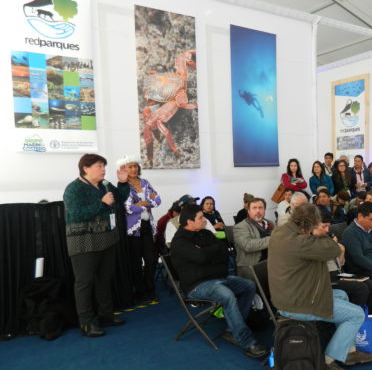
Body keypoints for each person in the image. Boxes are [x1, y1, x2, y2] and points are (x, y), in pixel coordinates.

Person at [269, 203, 372, 370]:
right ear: (309, 226)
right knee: (356, 315)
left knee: (343, 295)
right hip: (298, 303)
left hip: (288, 294)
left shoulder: (280, 232)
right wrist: (320, 234)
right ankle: (328, 361)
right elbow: (333, 249)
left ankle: (348, 350)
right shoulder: (301, 242)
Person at [170, 205, 267, 359]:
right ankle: (247, 341)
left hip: (217, 277)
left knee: (248, 286)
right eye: (201, 218)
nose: (204, 220)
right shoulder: (179, 242)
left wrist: (204, 252)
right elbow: (202, 257)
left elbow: (224, 251)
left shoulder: (205, 233)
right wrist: (208, 254)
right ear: (189, 221)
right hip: (196, 286)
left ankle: (232, 330)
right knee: (227, 295)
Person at [63, 153, 129, 337]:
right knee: (84, 283)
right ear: (86, 168)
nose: (103, 170)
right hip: (83, 241)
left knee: (104, 279)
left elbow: (120, 199)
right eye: (99, 166)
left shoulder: (105, 185)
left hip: (106, 238)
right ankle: (86, 322)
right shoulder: (74, 189)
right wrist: (101, 203)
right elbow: (76, 214)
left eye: (104, 166)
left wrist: (123, 184)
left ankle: (106, 315)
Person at [318, 210, 372, 317]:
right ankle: (356, 319)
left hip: (338, 273)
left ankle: (371, 321)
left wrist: (341, 251)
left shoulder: (327, 237)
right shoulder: (312, 242)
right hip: (326, 278)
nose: (327, 229)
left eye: (328, 226)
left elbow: (340, 264)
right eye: (324, 226)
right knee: (361, 288)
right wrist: (333, 247)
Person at [121, 154, 162, 302]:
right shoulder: (123, 186)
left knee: (151, 259)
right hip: (132, 229)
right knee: (136, 262)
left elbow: (157, 201)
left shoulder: (145, 182)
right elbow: (127, 208)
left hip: (147, 226)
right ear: (124, 169)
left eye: (135, 166)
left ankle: (150, 289)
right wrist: (146, 202)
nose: (133, 169)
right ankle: (139, 291)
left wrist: (141, 203)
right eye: (130, 166)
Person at [233, 198, 273, 280]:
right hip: (252, 267)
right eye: (254, 208)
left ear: (264, 210)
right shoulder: (240, 227)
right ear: (248, 211)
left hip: (272, 263)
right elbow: (248, 245)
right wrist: (273, 239)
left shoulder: (270, 223)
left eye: (260, 208)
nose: (258, 211)